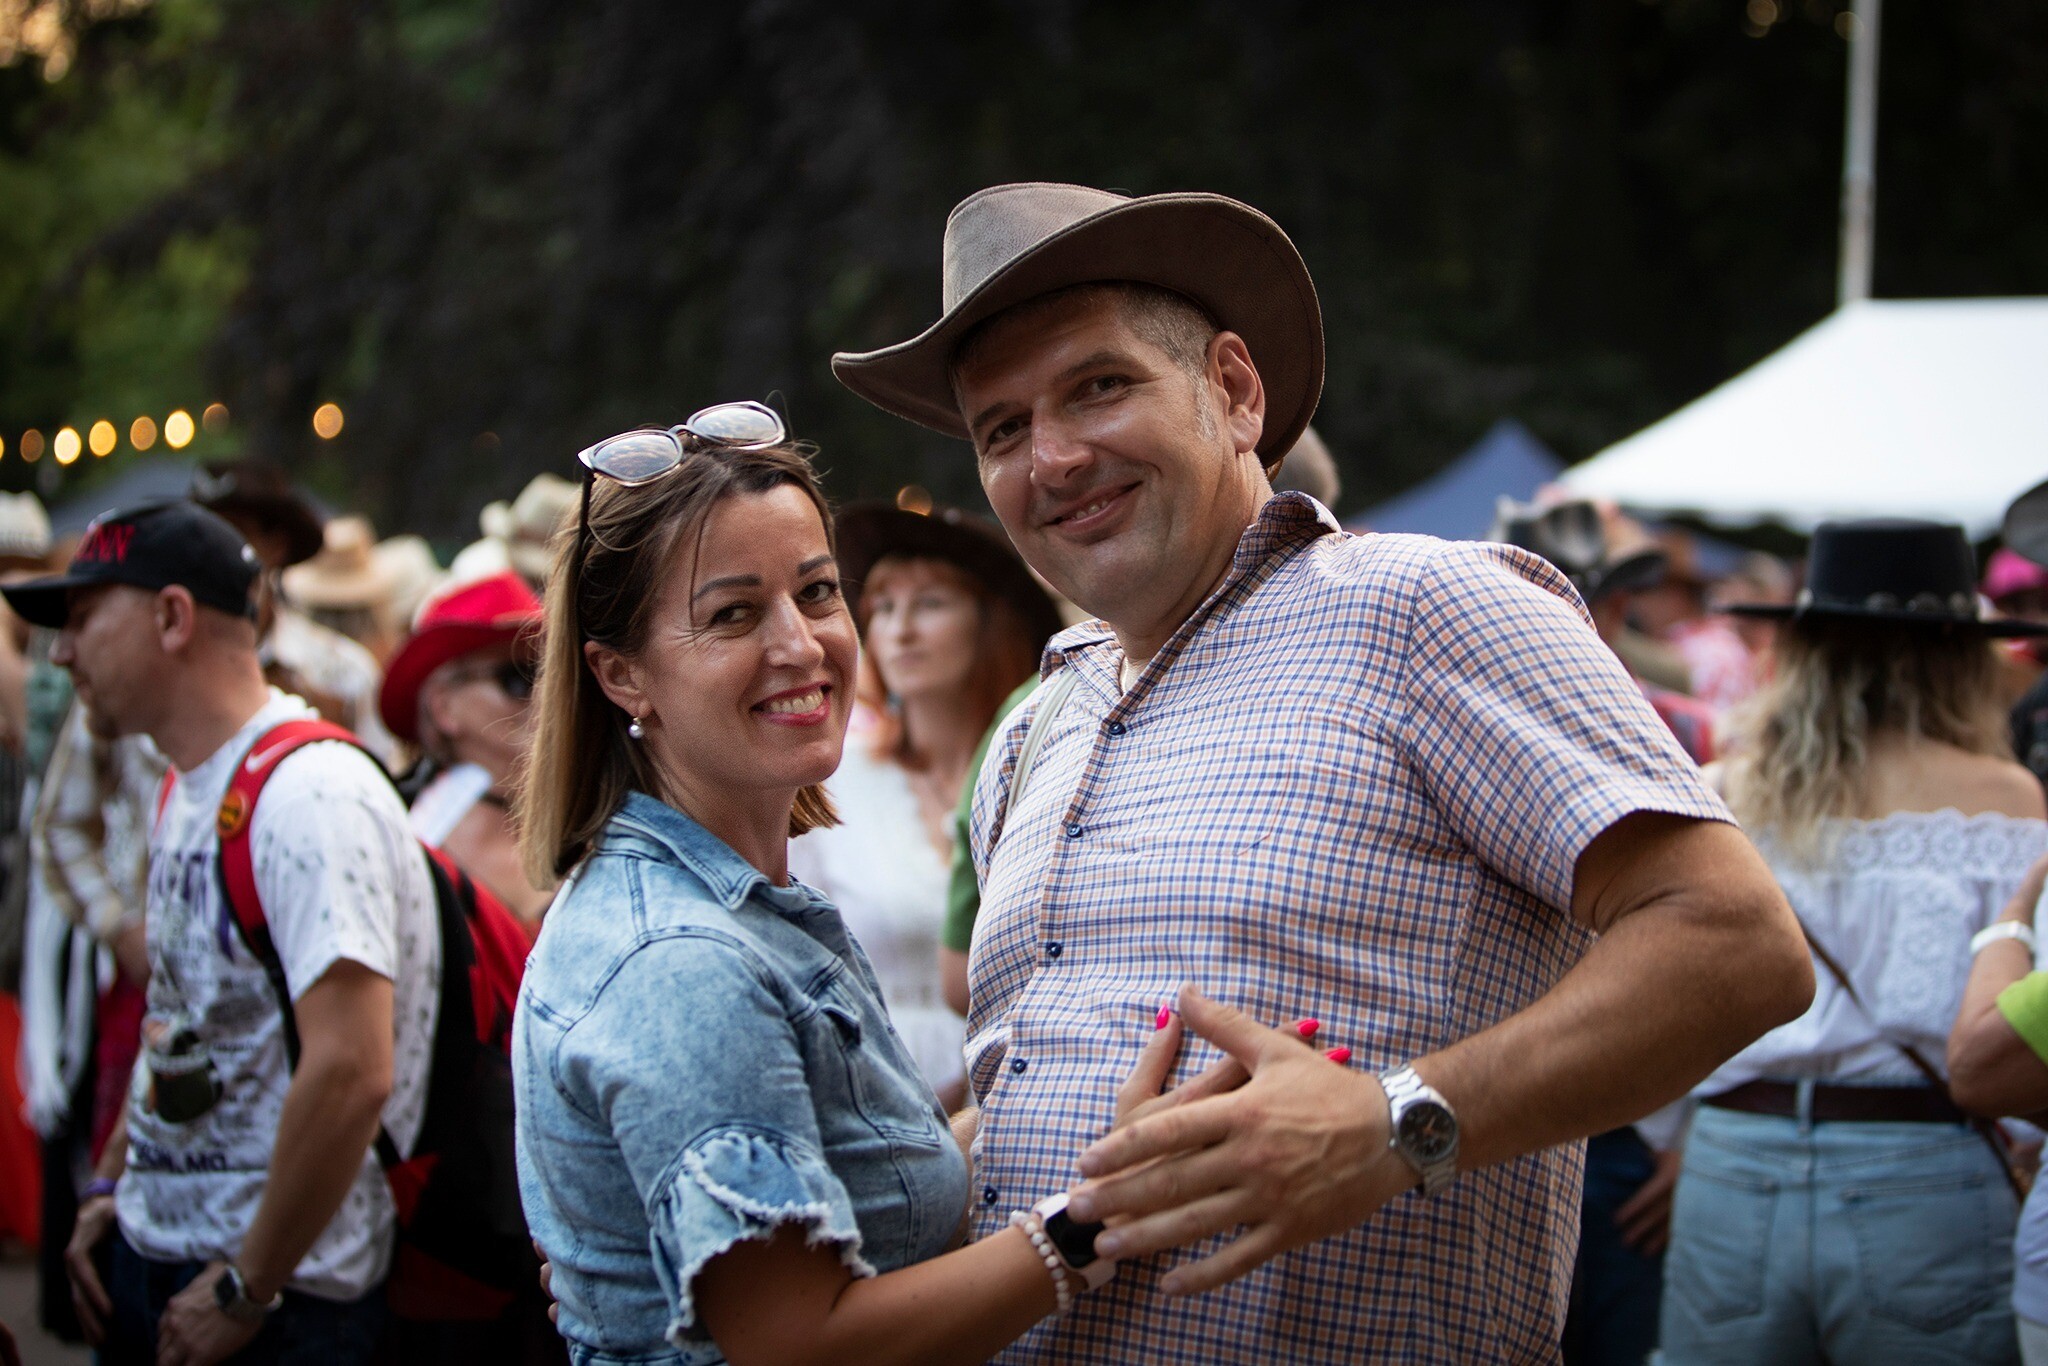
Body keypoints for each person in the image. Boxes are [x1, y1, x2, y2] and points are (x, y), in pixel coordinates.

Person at [828, 181, 1813, 1363]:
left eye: (1098, 386)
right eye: (999, 429)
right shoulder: (1038, 723)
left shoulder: (1425, 608)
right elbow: (1033, 1093)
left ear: (1233, 391)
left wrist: (1397, 1122)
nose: (1052, 456)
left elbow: (1736, 943)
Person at [513, 404, 1285, 1366]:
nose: (802, 644)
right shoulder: (681, 960)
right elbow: (804, 1347)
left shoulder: (737, 903)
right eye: (733, 614)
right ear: (622, 675)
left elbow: (874, 1186)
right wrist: (1101, 1220)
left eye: (817, 592)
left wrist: (1079, 1098)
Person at [4, 501, 439, 1366]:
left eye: (84, 619)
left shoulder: (311, 793)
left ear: (172, 618)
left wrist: (248, 1286)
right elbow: (181, 1021)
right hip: (179, 1266)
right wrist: (114, 1183)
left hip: (282, 1309)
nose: (61, 653)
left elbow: (353, 1070)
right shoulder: (192, 782)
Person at [1657, 518, 2046, 1364]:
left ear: (1806, 646)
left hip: (1732, 1162)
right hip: (1927, 1171)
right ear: (1959, 656)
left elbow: (1657, 980)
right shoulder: (2006, 798)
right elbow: (2021, 1002)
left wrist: (1672, 1138)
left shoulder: (1718, 790)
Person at [789, 502, 1058, 1105]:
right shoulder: (829, 779)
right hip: (872, 1089)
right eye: (883, 608)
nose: (900, 629)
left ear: (993, 623)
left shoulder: (1047, 772)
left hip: (1036, 1085)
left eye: (930, 604)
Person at [194, 459, 400, 768]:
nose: (212, 552)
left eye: (233, 534)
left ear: (276, 546)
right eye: (200, 534)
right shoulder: (163, 674)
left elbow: (381, 781)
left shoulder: (342, 674)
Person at [379, 570, 553, 924]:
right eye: (517, 676)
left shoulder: (601, 807)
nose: (545, 695)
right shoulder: (414, 844)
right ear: (444, 708)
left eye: (554, 673)